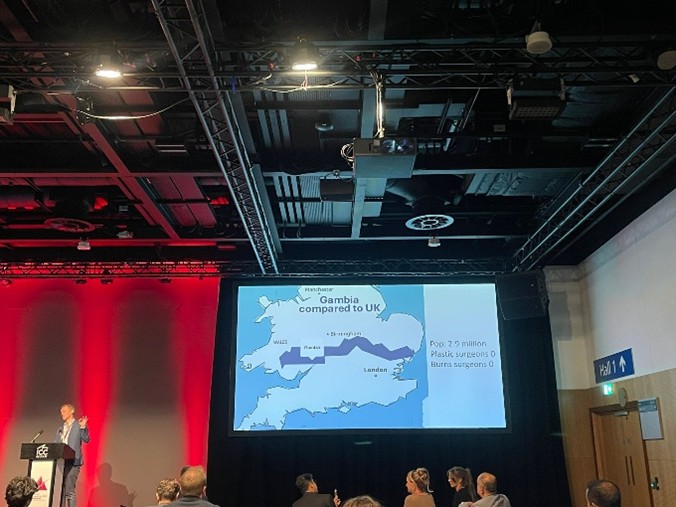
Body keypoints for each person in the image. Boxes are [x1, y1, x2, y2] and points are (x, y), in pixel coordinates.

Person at [55, 403, 90, 507]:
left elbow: (86, 439)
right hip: (62, 462)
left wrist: (83, 426)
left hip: (73, 462)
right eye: (61, 412)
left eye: (64, 411)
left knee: (69, 491)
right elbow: (55, 445)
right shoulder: (60, 429)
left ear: (72, 411)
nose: (62, 413)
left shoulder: (78, 426)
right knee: (61, 491)